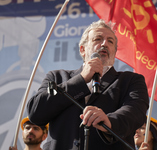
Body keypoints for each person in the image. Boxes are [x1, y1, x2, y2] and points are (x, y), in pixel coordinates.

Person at [27, 19, 149, 150]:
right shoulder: (56, 78)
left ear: (114, 52)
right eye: (98, 39)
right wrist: (82, 79)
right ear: (82, 49)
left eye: (110, 41)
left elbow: (135, 111)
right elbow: (36, 112)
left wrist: (109, 122)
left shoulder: (131, 80)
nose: (104, 44)